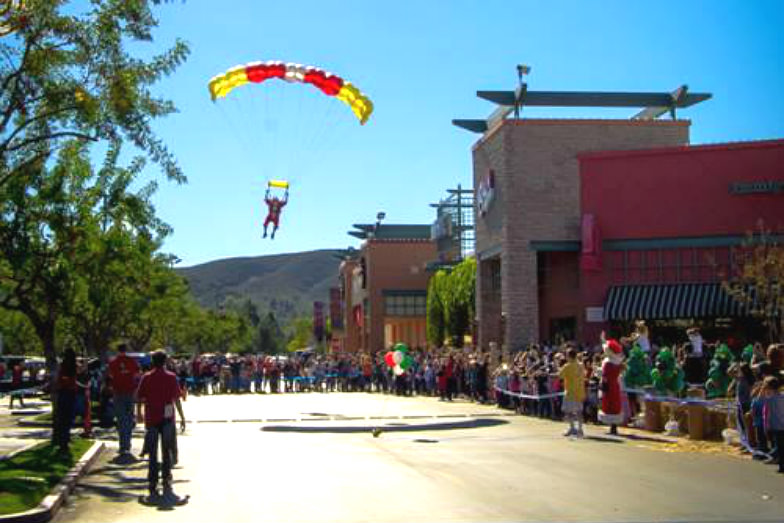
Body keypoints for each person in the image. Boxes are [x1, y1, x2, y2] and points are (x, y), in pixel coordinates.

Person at [136, 350, 186, 501]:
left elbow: (139, 397)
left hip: (151, 418)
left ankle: (152, 483)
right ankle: (166, 479)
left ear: (152, 361)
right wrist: (182, 417)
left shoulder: (146, 377)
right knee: (167, 451)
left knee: (152, 453)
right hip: (167, 418)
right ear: (165, 362)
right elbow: (177, 399)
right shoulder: (171, 377)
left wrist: (139, 413)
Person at [108, 343, 140, 459]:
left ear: (117, 350)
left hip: (118, 393)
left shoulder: (113, 362)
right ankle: (127, 443)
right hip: (130, 392)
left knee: (121, 419)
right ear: (126, 350)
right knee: (129, 418)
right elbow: (137, 375)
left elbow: (110, 376)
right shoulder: (132, 361)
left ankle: (123, 445)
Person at [599, 334, 626, 436]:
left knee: (609, 403)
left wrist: (598, 372)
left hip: (608, 385)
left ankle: (612, 427)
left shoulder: (609, 363)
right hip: (615, 385)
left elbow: (604, 374)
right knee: (615, 404)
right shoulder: (617, 362)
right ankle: (613, 426)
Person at [54, 349, 78, 454]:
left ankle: (62, 442)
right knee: (68, 419)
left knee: (61, 418)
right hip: (71, 394)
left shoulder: (62, 367)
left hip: (63, 393)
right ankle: (66, 439)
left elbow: (60, 380)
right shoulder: (74, 367)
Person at [559, 348, 586, 438]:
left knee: (569, 412)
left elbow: (560, 376)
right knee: (579, 412)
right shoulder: (581, 365)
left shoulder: (567, 366)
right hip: (580, 392)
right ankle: (580, 429)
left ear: (569, 356)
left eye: (566, 355)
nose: (566, 357)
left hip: (570, 392)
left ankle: (572, 428)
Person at [762, 376, 784, 473]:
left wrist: (766, 425)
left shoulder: (768, 399)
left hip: (777, 426)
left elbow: (766, 414)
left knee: (780, 446)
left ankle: (782, 465)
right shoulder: (782, 396)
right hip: (780, 424)